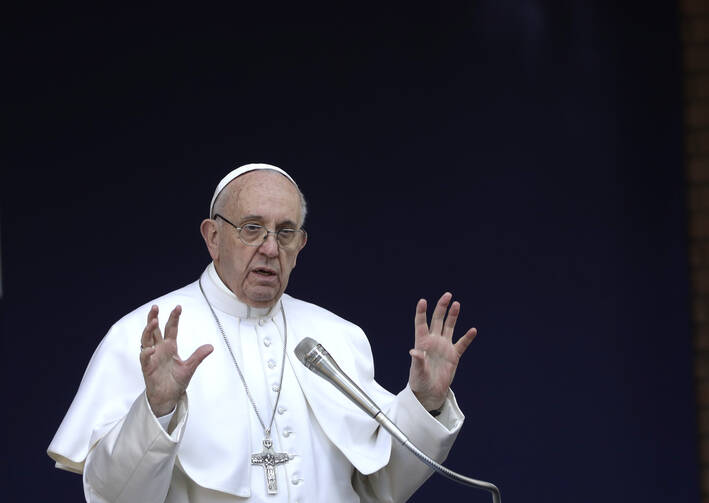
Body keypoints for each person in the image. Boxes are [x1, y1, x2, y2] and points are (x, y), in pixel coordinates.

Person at [48, 163, 478, 502]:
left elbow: (382, 489)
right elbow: (117, 498)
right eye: (252, 228)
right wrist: (156, 411)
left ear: (300, 246)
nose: (270, 248)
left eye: (285, 232)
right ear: (213, 236)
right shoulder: (145, 337)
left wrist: (425, 404)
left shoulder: (336, 338)